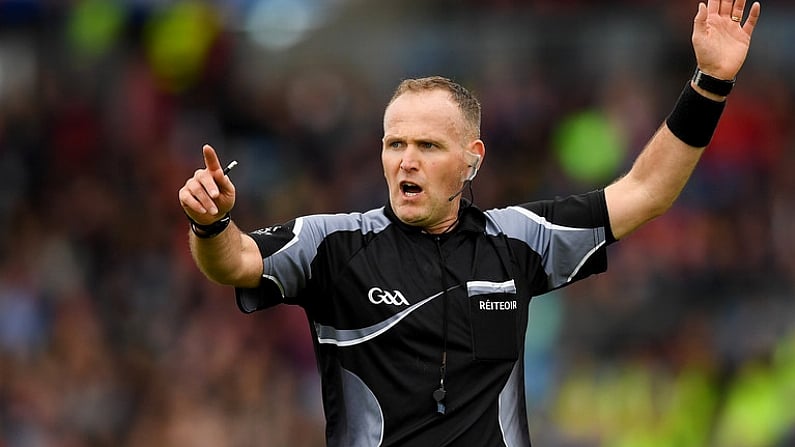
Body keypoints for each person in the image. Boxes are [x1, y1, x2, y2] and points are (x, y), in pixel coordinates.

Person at [178, 0, 761, 445]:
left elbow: (647, 192)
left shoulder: (518, 240)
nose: (406, 159)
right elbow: (235, 262)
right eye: (394, 143)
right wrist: (210, 223)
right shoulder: (332, 243)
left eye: (428, 145)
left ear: (472, 159)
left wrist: (710, 84)